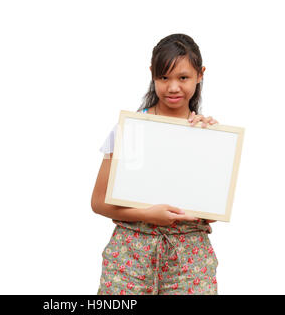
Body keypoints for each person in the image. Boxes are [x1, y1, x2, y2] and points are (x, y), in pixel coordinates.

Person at [91, 34, 220, 295]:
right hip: (130, 257)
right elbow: (99, 202)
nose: (173, 87)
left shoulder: (211, 135)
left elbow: (211, 213)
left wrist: (213, 144)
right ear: (152, 74)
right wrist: (147, 215)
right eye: (164, 77)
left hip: (189, 261)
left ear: (200, 74)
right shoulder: (128, 130)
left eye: (183, 77)